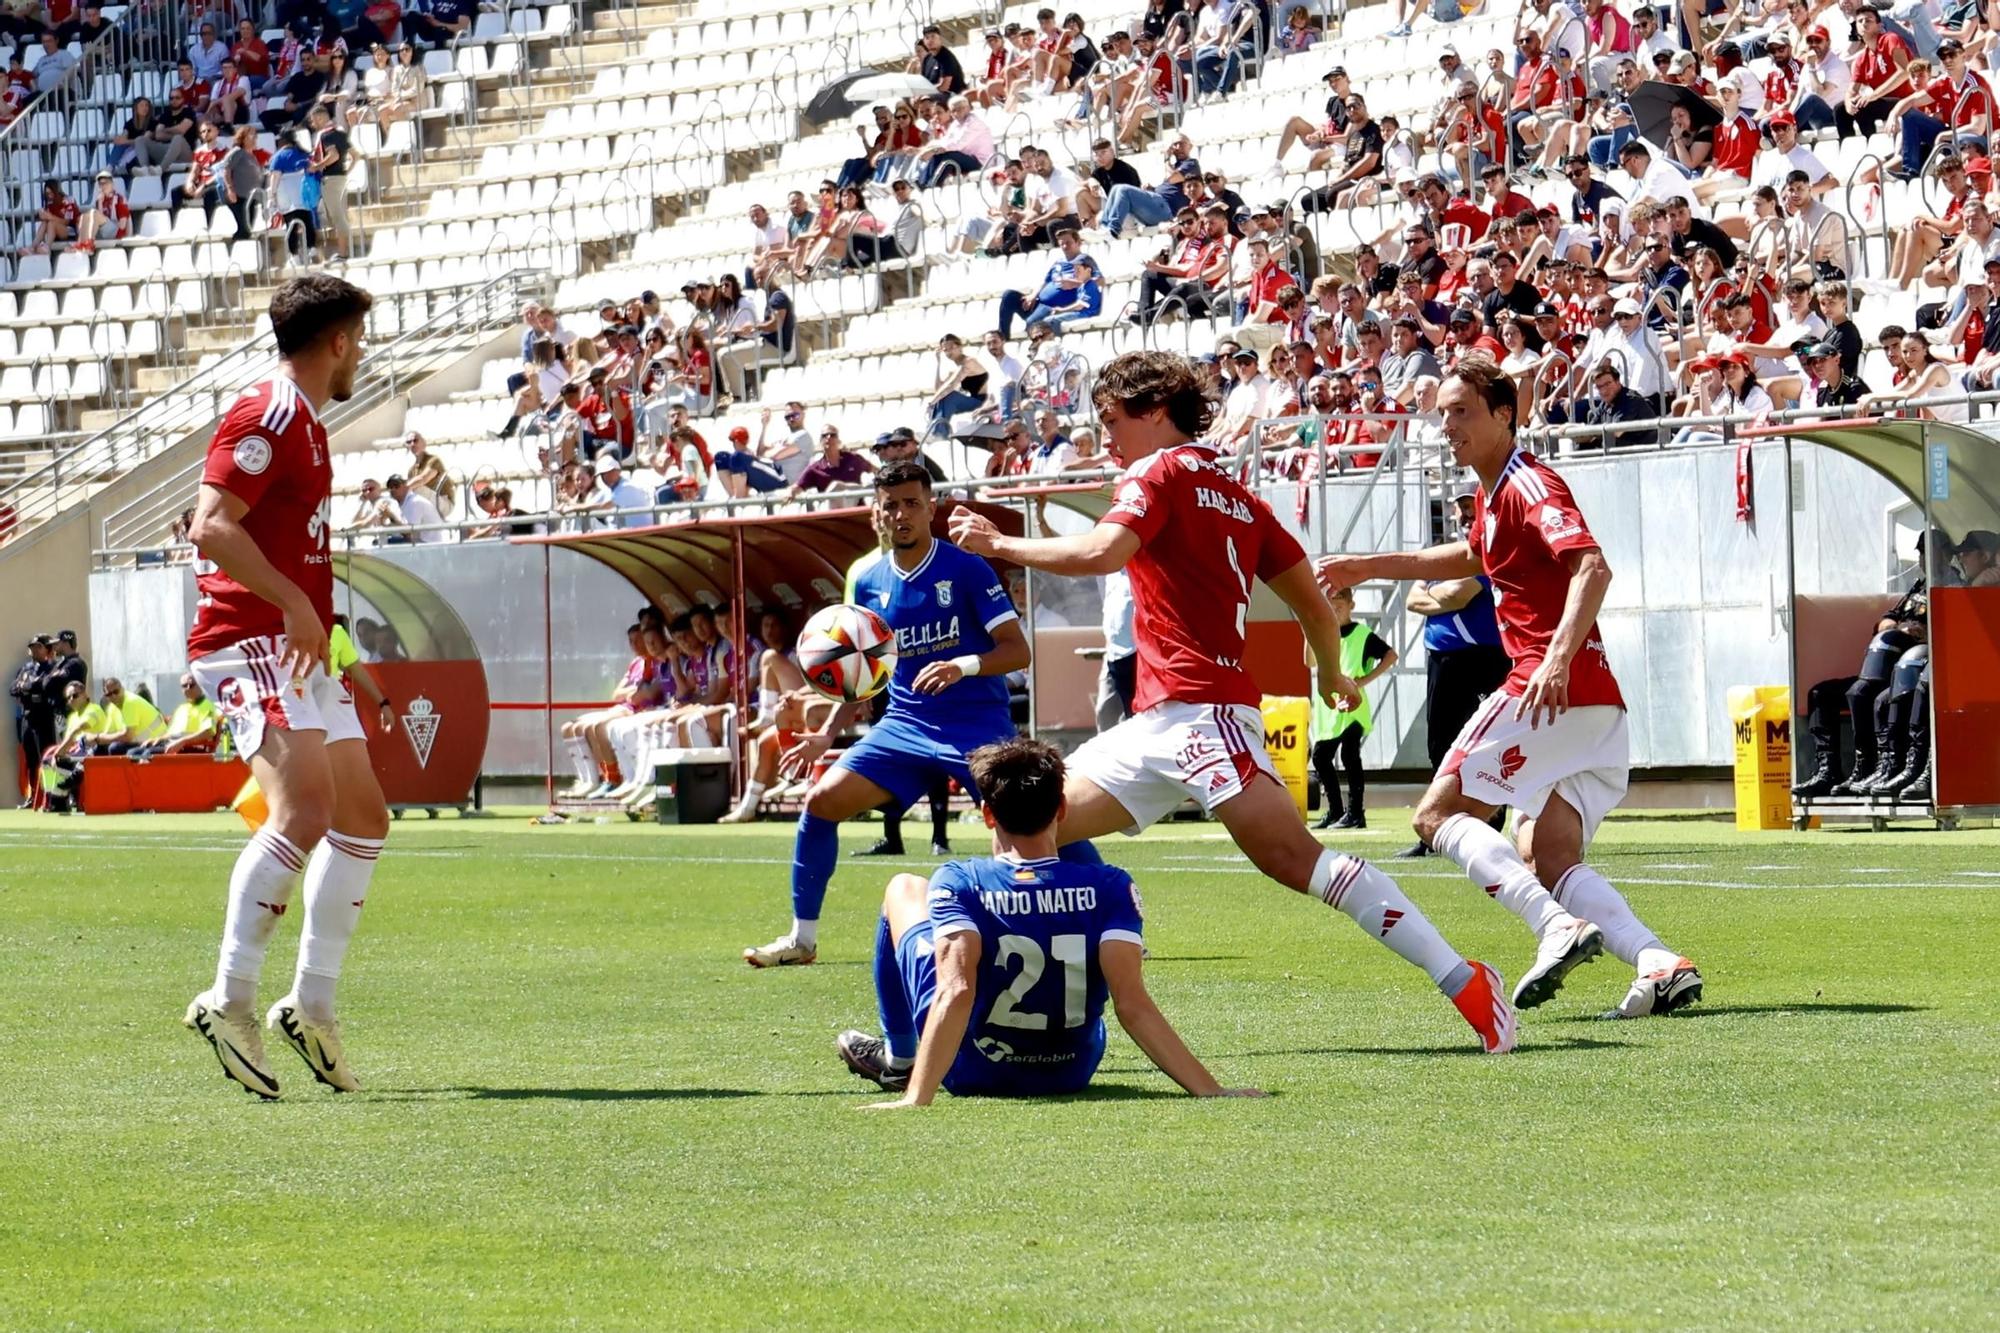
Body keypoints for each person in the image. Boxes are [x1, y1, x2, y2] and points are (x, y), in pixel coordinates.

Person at [947, 351, 1516, 1054]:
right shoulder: (1239, 493)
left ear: (1156, 410)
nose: (1106, 435)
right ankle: (1054, 1001)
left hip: (1205, 716)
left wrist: (997, 540)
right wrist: (1332, 670)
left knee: (1295, 858)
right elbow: (1309, 593)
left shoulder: (1156, 472)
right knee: (1024, 830)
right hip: (1158, 720)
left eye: (1112, 418)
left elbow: (1101, 550)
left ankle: (1466, 980)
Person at [1317, 358, 1701, 1020]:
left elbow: (1592, 565)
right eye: (1442, 412)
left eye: (1462, 410)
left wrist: (1554, 658)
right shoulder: (1496, 495)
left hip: (1549, 689)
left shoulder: (1528, 483)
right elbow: (1469, 555)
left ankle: (1553, 926)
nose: (1447, 424)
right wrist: (1367, 565)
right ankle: (1656, 960)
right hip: (1596, 707)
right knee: (1545, 851)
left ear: (1504, 414)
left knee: (1435, 815)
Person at [181, 274, 392, 1100]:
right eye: (359, 340)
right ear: (338, 341)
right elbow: (212, 524)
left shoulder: (306, 421)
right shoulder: (269, 412)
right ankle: (227, 998)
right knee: (303, 810)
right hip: (248, 639)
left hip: (300, 645)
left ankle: (311, 1005)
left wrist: (344, 654)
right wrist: (298, 605)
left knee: (364, 815)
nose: (362, 355)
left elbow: (296, 554)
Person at [835, 737, 1259, 1104]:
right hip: (1070, 1070)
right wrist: (1211, 1089)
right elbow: (1133, 1005)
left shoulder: (959, 879)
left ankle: (901, 1061)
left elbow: (957, 990)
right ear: (1061, 809)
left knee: (904, 887)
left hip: (971, 1071)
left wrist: (918, 1098)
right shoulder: (1111, 885)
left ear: (987, 814)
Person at [742, 462, 1031, 968]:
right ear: (877, 511)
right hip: (903, 726)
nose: (900, 514)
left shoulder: (966, 568)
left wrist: (961, 666)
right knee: (822, 801)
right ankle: (801, 939)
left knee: (1030, 821)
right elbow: (863, 676)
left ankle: (1110, 922)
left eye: (911, 504)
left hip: (976, 726)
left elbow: (1017, 651)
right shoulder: (870, 583)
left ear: (931, 508)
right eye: (890, 504)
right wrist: (825, 735)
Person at [1392, 493, 1511, 859]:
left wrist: (1436, 592)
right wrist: (1436, 594)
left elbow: (1458, 595)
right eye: (1457, 509)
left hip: (1482, 656)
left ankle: (1490, 823)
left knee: (1487, 741)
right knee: (1439, 742)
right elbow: (1413, 599)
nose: (1461, 515)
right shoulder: (1444, 554)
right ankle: (1438, 826)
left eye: (1467, 509)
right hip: (1442, 658)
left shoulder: (1488, 552)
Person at [1310, 586, 1396, 831]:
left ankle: (1356, 813)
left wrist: (1362, 681)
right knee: (1321, 757)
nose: (1334, 611)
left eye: (1339, 606)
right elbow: (1309, 661)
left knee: (1349, 755)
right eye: (1330, 606)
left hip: (1353, 705)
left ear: (1351, 606)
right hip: (1330, 706)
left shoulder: (1362, 634)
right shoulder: (1323, 633)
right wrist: (1310, 632)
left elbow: (1391, 655)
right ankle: (1336, 811)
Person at [132, 673, 222, 756]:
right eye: (184, 686)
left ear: (199, 685)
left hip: (190, 747)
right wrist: (158, 739)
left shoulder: (207, 706)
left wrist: (182, 741)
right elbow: (171, 734)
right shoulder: (181, 708)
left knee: (148, 754)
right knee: (134, 752)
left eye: (192, 685)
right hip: (172, 743)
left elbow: (208, 732)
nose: (188, 688)